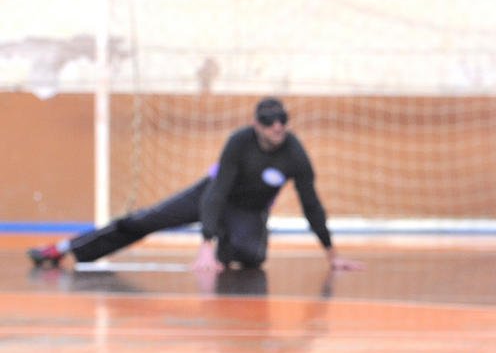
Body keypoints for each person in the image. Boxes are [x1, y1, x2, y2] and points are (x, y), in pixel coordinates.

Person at [27, 98, 362, 273]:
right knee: (143, 220)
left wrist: (332, 254)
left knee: (251, 257)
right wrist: (205, 244)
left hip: (249, 211)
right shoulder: (239, 142)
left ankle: (227, 249)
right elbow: (216, 193)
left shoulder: (295, 155)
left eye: (282, 121)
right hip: (212, 195)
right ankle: (64, 250)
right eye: (269, 122)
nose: (277, 127)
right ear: (255, 124)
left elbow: (311, 205)